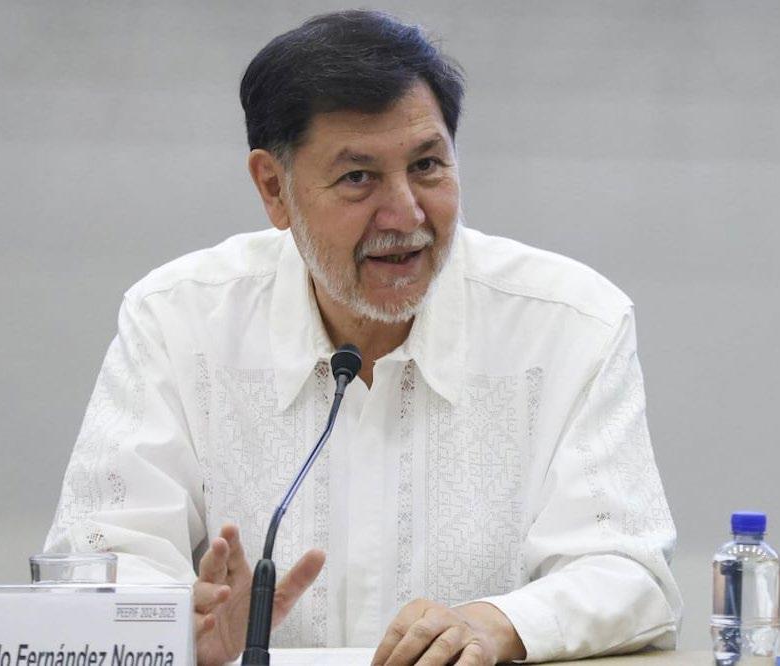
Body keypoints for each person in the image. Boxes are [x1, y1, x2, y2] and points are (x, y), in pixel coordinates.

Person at [45, 9, 682, 665]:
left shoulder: (571, 325)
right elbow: (98, 559)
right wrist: (173, 625)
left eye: (427, 165)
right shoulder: (178, 322)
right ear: (274, 188)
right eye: (359, 178)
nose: (404, 213)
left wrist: (499, 624)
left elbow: (629, 572)